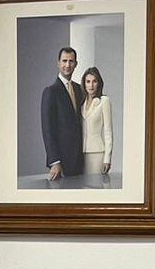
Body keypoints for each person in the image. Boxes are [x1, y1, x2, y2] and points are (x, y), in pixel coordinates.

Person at [40, 46, 84, 181]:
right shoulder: (50, 92)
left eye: (71, 61)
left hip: (80, 159)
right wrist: (55, 161)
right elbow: (47, 129)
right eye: (64, 61)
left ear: (76, 64)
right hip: (62, 161)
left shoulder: (79, 89)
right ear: (58, 63)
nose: (67, 65)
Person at [80, 66, 113, 178]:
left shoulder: (104, 101)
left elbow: (108, 132)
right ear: (84, 83)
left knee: (95, 186)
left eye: (94, 81)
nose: (91, 85)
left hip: (97, 153)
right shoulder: (82, 103)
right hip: (81, 153)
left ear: (99, 83)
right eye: (88, 81)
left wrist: (107, 159)